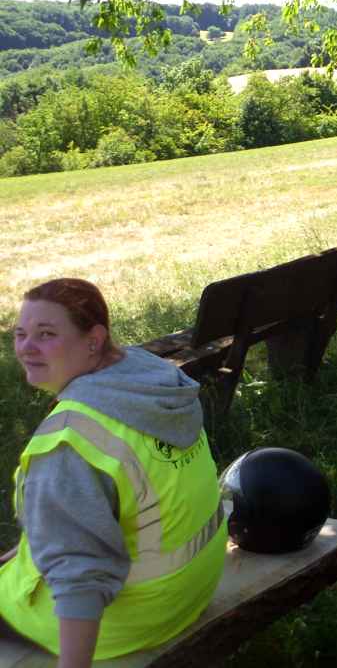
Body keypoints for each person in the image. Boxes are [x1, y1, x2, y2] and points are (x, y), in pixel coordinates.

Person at [1, 278, 227, 666]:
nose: (26, 348)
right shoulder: (154, 385)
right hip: (191, 589)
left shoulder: (68, 446)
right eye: (20, 334)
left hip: (125, 622)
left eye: (47, 334)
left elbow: (80, 580)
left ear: (94, 339)